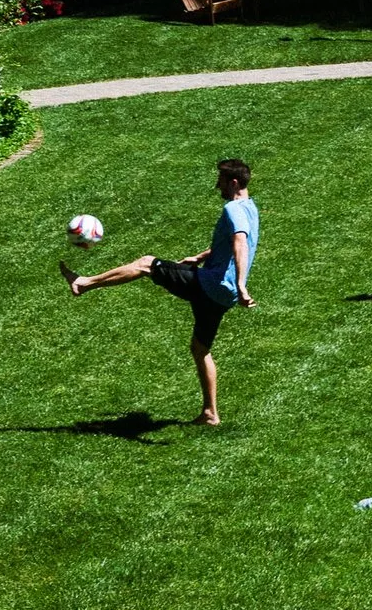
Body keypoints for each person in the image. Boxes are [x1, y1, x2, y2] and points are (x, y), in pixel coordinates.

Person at [59, 158, 259, 426]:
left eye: (221, 181)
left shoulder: (233, 208)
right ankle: (210, 413)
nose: (217, 186)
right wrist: (201, 257)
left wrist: (242, 284)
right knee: (200, 348)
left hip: (212, 284)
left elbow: (240, 243)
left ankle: (83, 283)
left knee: (146, 264)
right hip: (224, 295)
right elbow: (234, 242)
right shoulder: (250, 208)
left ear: (233, 183)